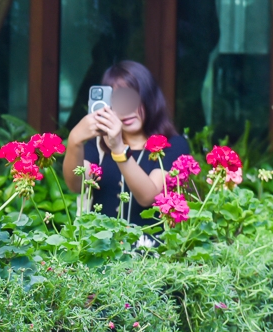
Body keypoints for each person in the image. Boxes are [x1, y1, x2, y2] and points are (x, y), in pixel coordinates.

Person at [62, 60, 190, 225]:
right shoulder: (99, 145)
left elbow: (148, 197)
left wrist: (119, 150)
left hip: (152, 248)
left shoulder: (174, 145)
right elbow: (75, 184)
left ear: (149, 98)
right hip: (101, 247)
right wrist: (74, 141)